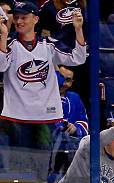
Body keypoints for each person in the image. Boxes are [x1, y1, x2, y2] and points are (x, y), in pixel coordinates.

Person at [0, 0, 86, 146]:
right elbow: (1, 66)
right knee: (18, 165)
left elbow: (78, 58)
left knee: (42, 166)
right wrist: (3, 36)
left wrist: (78, 30)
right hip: (16, 117)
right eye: (16, 18)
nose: (19, 21)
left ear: (36, 19)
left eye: (23, 17)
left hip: (46, 118)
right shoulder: (9, 43)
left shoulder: (49, 45)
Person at [47, 66, 89, 183]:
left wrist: (76, 128)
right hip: (49, 148)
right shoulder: (44, 96)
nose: (64, 83)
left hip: (71, 148)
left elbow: (84, 121)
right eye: (61, 78)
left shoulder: (75, 98)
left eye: (68, 80)